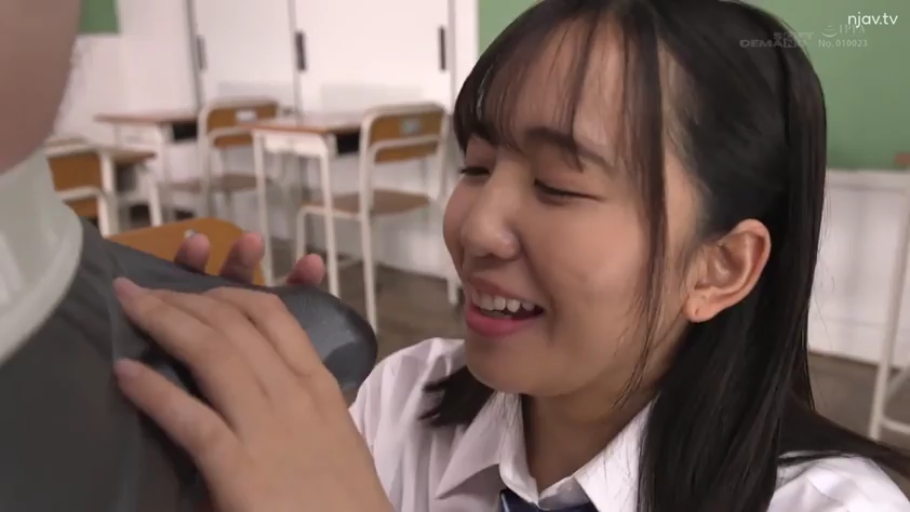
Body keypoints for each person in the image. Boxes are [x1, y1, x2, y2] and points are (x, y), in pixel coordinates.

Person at [3, 2, 909, 512]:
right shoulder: (404, 402)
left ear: (721, 267)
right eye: (474, 166)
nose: (474, 227)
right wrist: (203, 455)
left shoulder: (836, 507)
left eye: (556, 185)